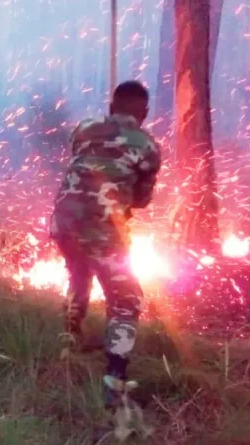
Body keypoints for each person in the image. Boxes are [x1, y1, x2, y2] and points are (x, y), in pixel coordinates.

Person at [49, 81, 162, 408]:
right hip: (102, 228)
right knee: (126, 298)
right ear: (144, 113)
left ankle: (68, 340)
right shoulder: (148, 146)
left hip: (62, 221)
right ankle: (115, 379)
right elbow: (140, 200)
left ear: (111, 107)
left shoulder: (85, 128)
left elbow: (80, 161)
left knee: (79, 274)